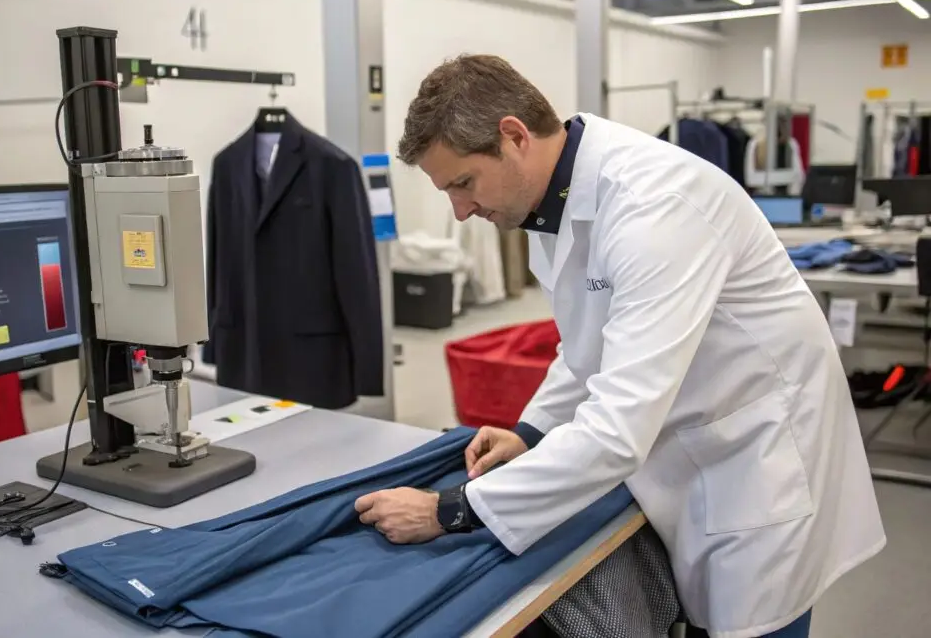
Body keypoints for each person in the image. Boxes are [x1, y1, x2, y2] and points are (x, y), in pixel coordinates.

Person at [354, 55, 886, 638]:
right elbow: (588, 342)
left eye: (463, 183)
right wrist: (530, 431)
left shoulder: (655, 207)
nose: (460, 211)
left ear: (514, 136)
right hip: (693, 437)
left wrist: (451, 509)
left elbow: (616, 428)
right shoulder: (550, 203)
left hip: (758, 454)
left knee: (756, 621)